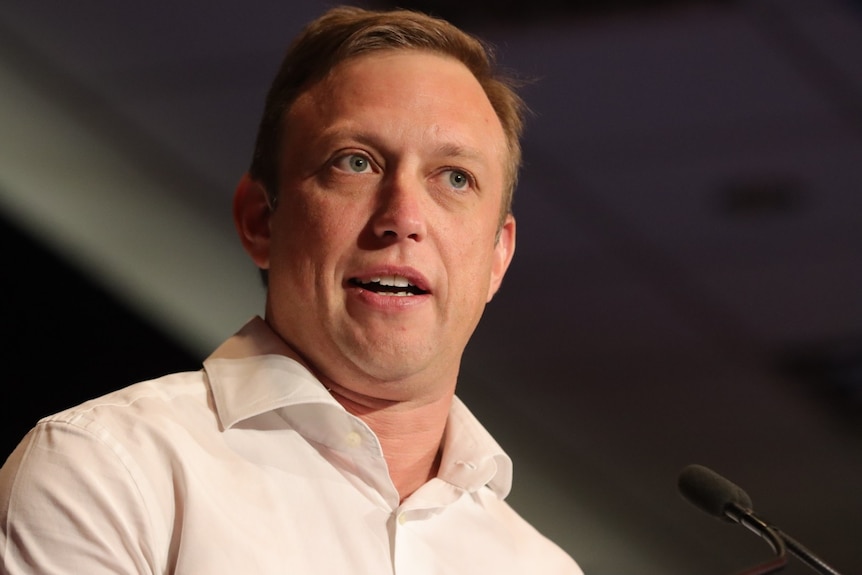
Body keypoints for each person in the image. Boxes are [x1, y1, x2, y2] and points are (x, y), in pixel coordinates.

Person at [0, 5, 582, 574]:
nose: (403, 216)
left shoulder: (540, 565)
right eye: (355, 162)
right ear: (260, 220)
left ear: (497, 257)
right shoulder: (109, 469)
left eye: (455, 177)